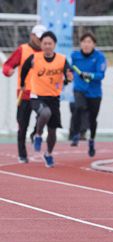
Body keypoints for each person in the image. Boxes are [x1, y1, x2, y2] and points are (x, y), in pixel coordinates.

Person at [20, 31, 73, 168]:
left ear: (54, 45)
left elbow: (68, 73)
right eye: (45, 43)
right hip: (37, 96)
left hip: (54, 98)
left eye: (50, 43)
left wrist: (68, 77)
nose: (47, 46)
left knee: (52, 131)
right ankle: (37, 135)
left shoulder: (61, 59)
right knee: (45, 113)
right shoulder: (34, 58)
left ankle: (48, 154)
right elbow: (24, 69)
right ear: (41, 44)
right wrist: (22, 84)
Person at [2, 24, 47, 163]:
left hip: (41, 92)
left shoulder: (47, 52)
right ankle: (22, 154)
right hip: (24, 92)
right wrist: (8, 71)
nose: (40, 41)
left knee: (45, 114)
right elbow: (8, 65)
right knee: (22, 124)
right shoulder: (23, 49)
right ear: (32, 36)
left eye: (43, 38)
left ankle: (35, 134)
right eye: (38, 38)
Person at [70, 32, 107, 157]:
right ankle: (76, 133)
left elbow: (100, 75)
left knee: (92, 119)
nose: (86, 45)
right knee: (79, 107)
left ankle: (91, 140)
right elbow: (69, 69)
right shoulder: (74, 56)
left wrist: (89, 75)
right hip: (79, 89)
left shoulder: (99, 57)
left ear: (94, 44)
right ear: (80, 43)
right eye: (84, 42)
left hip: (94, 93)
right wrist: (67, 75)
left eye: (89, 42)